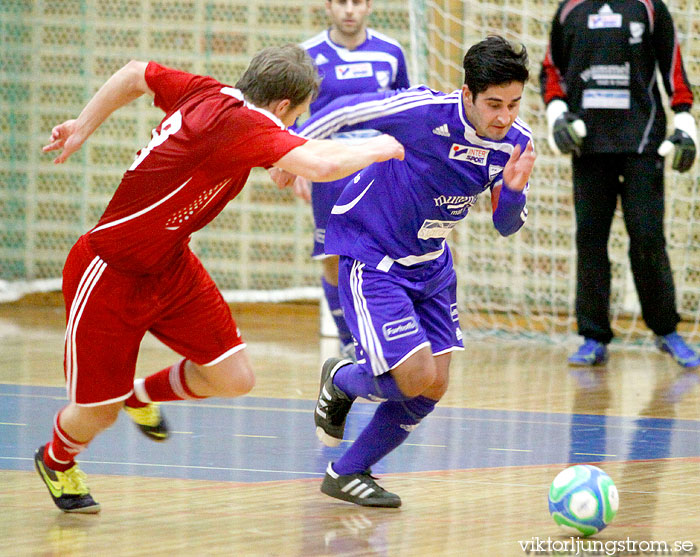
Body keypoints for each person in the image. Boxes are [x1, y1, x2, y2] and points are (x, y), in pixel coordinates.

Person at [34, 44, 404, 514]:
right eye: (294, 119)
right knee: (96, 413)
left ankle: (139, 394)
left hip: (169, 264)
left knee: (233, 376)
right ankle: (57, 460)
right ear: (282, 107)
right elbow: (322, 164)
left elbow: (133, 73)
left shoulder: (209, 93)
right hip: (109, 271)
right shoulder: (245, 126)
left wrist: (81, 126)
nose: (288, 129)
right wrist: (384, 146)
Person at [294, 35, 535, 507]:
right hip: (373, 254)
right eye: (493, 104)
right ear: (467, 94)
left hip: (431, 265)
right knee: (411, 377)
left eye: (513, 104)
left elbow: (506, 225)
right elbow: (344, 111)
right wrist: (292, 155)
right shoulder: (425, 111)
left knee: (435, 383)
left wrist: (515, 191)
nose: (503, 117)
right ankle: (341, 378)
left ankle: (347, 471)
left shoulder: (516, 143)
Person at [540, 0, 700, 368]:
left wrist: (686, 125)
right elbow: (551, 71)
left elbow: (673, 70)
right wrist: (556, 115)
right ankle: (593, 336)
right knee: (590, 239)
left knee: (647, 237)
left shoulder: (649, 7)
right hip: (589, 144)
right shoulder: (570, 9)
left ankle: (666, 330)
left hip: (642, 142)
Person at [298, 0, 410, 360]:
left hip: (379, 170)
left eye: (357, 2)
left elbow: (405, 110)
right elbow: (290, 115)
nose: (349, 10)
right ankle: (350, 342)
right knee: (332, 255)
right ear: (328, 6)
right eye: (341, 2)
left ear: (369, 6)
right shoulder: (307, 55)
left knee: (386, 252)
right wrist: (295, 164)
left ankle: (388, 335)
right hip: (329, 168)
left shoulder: (390, 52)